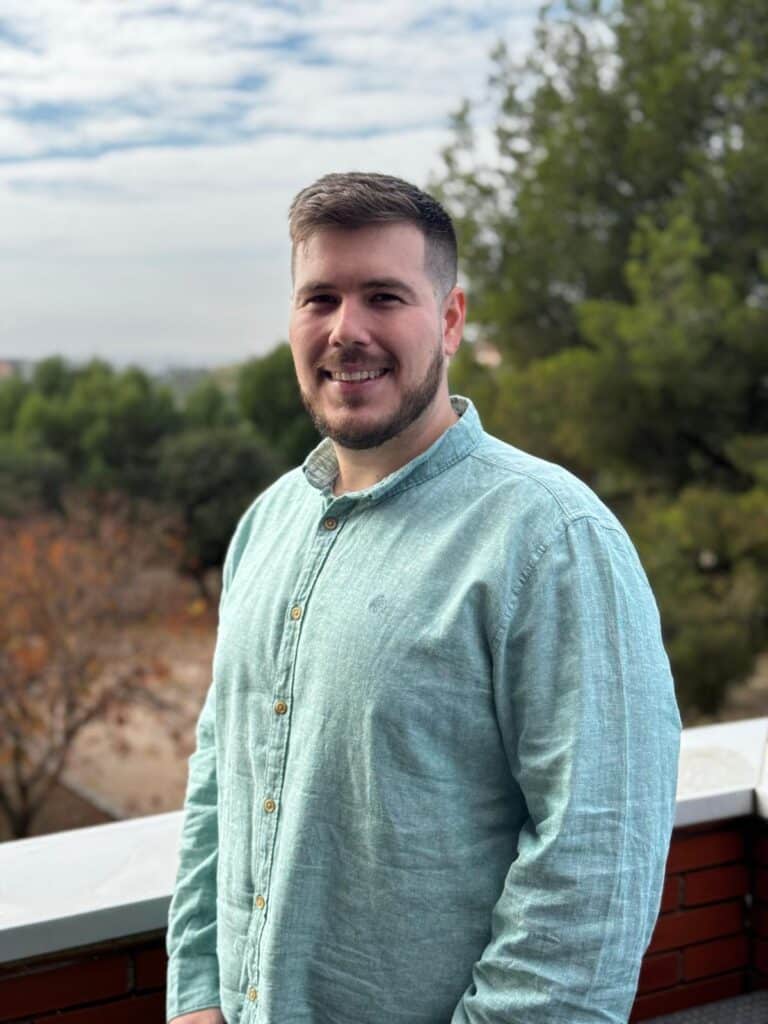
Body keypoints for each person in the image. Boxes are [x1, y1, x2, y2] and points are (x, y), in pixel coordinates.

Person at [166, 172, 681, 1024]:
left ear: (449, 319)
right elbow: (219, 780)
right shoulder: (266, 523)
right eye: (320, 298)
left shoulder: (551, 538)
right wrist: (194, 995)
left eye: (384, 296)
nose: (346, 329)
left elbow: (593, 864)